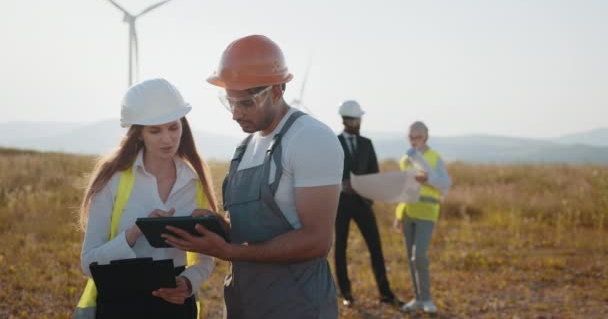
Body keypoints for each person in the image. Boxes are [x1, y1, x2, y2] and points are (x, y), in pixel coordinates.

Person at [163, 35, 344, 319]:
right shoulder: (245, 147)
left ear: (275, 91)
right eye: (229, 102)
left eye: (246, 103)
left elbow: (317, 240)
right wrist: (211, 227)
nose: (235, 114)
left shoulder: (310, 139)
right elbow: (248, 229)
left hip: (296, 306)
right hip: (243, 302)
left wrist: (230, 252)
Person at [74, 78, 218, 318]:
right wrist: (135, 232)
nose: (168, 139)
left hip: (176, 306)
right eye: (155, 130)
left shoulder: (194, 183)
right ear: (139, 133)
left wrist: (188, 283)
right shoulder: (113, 180)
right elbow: (89, 263)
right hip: (121, 305)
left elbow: (205, 259)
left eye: (173, 127)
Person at [334, 100, 400, 307]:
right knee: (340, 248)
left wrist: (366, 193)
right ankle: (346, 294)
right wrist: (341, 186)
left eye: (359, 118)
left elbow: (374, 174)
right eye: (355, 119)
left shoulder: (367, 144)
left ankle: (385, 293)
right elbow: (327, 173)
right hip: (341, 205)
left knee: (375, 247)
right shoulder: (333, 143)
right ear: (346, 120)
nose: (358, 122)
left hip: (363, 203)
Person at [394, 121, 452, 314]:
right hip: (408, 212)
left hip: (427, 213)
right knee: (410, 259)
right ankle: (417, 299)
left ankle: (427, 298)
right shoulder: (405, 159)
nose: (413, 141)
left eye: (417, 137)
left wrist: (427, 179)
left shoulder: (435, 157)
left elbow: (445, 184)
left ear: (426, 136)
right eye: (410, 137)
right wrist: (398, 215)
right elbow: (404, 190)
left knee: (419, 256)